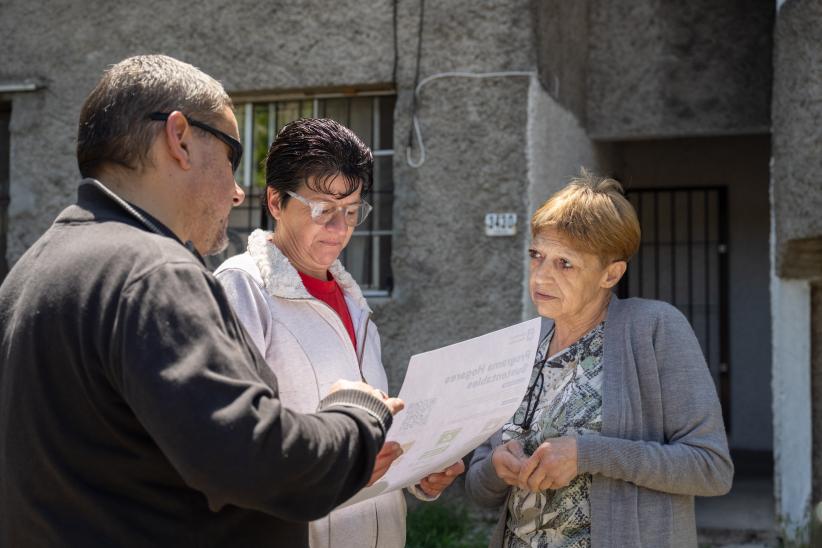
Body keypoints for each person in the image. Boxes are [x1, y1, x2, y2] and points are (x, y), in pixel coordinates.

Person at [0, 54, 404, 547]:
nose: (237, 192)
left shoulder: (30, 272)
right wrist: (357, 415)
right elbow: (256, 459)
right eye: (232, 156)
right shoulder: (152, 273)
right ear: (179, 139)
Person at [215, 117, 464, 548]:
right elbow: (229, 442)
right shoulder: (241, 288)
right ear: (275, 201)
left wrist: (421, 472)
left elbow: (372, 438)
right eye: (322, 210)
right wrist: (335, 466)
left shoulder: (354, 302)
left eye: (351, 211)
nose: (340, 229)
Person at [465, 172, 733, 548]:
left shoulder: (655, 329)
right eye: (537, 256)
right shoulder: (520, 347)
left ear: (611, 273)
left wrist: (588, 455)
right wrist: (495, 467)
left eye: (565, 264)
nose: (541, 276)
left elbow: (711, 469)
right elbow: (480, 489)